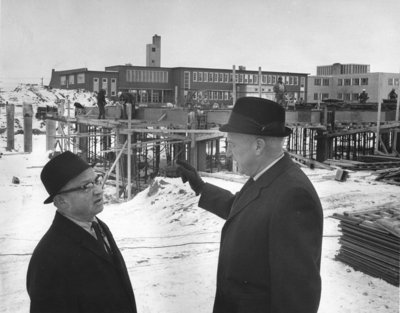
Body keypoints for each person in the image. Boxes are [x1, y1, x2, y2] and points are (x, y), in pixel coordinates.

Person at [177, 97, 323, 313]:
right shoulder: (269, 177)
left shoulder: (294, 196)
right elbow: (244, 209)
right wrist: (201, 187)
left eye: (232, 144)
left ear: (258, 146)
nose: (228, 152)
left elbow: (297, 298)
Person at [27, 151, 137, 313]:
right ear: (61, 201)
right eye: (86, 187)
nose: (99, 190)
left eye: (97, 181)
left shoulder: (98, 226)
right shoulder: (49, 258)